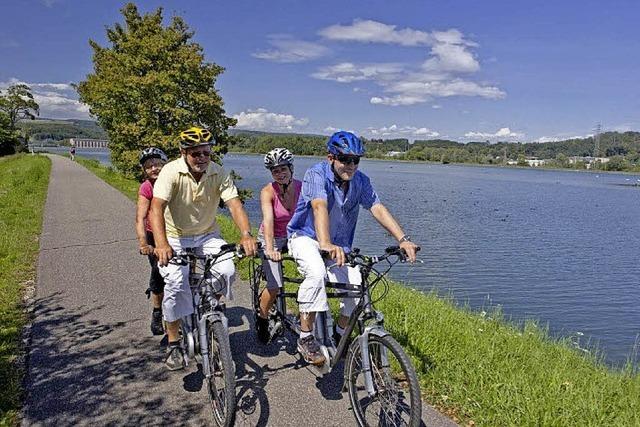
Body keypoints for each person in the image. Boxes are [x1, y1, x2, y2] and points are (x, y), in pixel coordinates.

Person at [287, 131, 419, 366]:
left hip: (338, 245)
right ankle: (306, 337)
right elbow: (319, 206)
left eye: (355, 160)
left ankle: (340, 331)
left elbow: (377, 207)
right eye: (345, 159)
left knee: (358, 283)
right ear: (331, 158)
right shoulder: (316, 174)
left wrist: (403, 238)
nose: (350, 165)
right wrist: (325, 244)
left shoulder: (360, 181)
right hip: (306, 237)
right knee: (316, 273)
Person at [150, 126, 257, 371]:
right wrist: (162, 244)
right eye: (195, 153)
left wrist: (245, 235)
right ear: (183, 152)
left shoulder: (218, 172)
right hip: (175, 236)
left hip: (207, 235)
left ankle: (212, 306)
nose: (201, 158)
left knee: (227, 270)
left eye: (206, 153)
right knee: (176, 284)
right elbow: (156, 208)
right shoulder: (170, 172)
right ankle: (174, 343)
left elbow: (234, 205)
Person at [255, 148, 302, 343]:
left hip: (294, 235)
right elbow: (268, 221)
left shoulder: (302, 187)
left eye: (283, 169)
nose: (280, 174)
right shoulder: (268, 191)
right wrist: (269, 248)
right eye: (275, 171)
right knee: (274, 285)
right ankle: (262, 318)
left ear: (291, 168)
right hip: (270, 237)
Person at [135, 147, 169, 336]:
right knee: (159, 270)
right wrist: (143, 244)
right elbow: (140, 217)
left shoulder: (174, 182)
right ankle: (157, 311)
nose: (154, 169)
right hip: (153, 236)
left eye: (157, 164)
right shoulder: (147, 187)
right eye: (149, 166)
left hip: (175, 233)